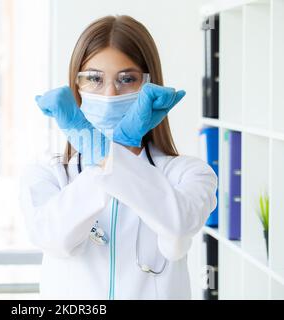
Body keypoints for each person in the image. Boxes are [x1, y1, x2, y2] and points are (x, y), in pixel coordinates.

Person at [20, 15, 217, 299]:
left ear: (149, 85)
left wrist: (114, 151)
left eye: (126, 79)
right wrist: (111, 156)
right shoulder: (48, 173)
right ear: (76, 87)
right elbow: (54, 240)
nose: (110, 93)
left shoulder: (189, 173)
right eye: (94, 79)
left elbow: (176, 233)